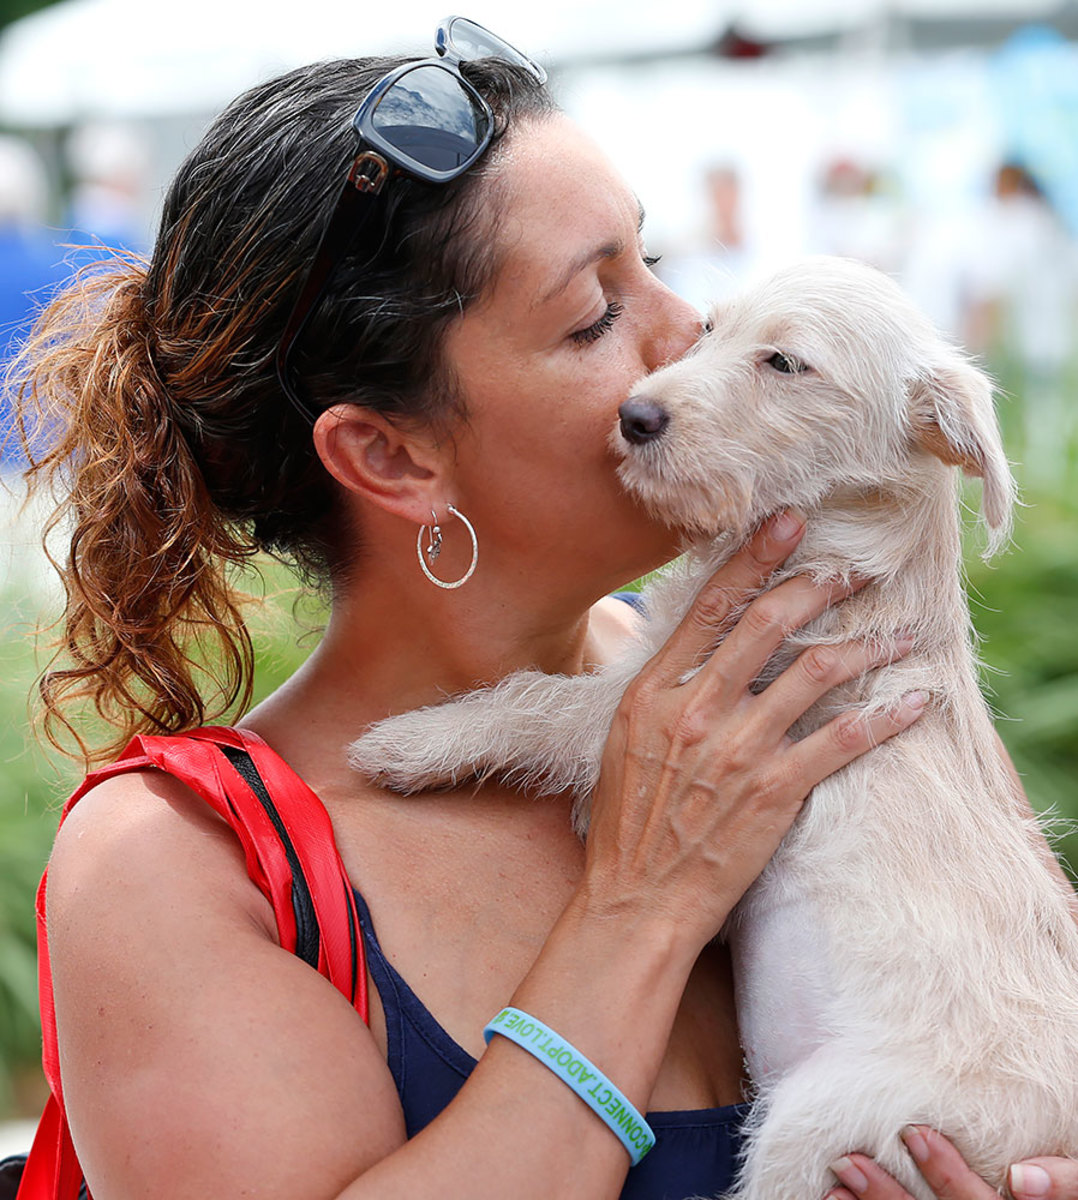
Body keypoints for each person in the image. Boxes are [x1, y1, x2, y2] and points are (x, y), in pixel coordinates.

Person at [11, 20, 1078, 1200]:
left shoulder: (794, 685)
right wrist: (645, 901)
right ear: (391, 457)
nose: (689, 333)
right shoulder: (176, 870)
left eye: (655, 260)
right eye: (593, 317)